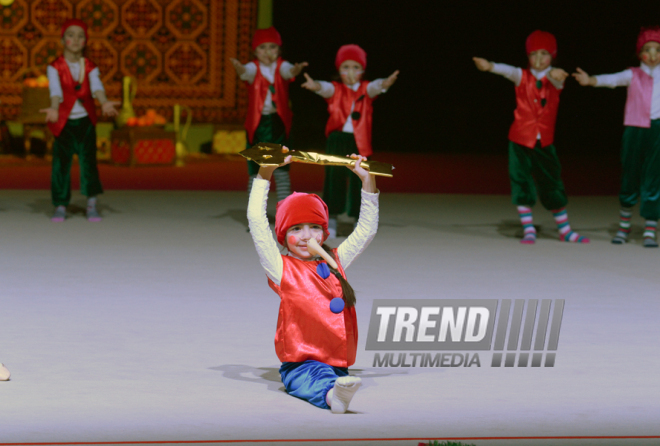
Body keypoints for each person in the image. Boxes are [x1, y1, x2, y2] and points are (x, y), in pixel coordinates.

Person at [247, 146, 379, 413]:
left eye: (315, 227)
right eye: (297, 229)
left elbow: (366, 230)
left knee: (333, 376)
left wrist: (368, 182)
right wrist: (265, 174)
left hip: (337, 361)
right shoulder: (281, 268)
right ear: (284, 237)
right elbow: (257, 222)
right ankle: (333, 398)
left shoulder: (336, 261)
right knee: (312, 381)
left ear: (324, 231)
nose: (307, 236)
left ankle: (335, 388)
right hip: (300, 362)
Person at [473, 30, 589, 244]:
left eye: (544, 54)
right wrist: (490, 66)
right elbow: (507, 71)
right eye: (533, 54)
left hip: (544, 141)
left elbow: (556, 79)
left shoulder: (556, 78)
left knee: (552, 183)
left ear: (552, 56)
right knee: (521, 183)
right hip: (519, 139)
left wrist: (557, 74)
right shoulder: (522, 76)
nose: (538, 59)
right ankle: (528, 229)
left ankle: (565, 230)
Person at [573, 27, 660, 247]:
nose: (652, 54)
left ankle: (650, 228)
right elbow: (611, 80)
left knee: (653, 178)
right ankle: (624, 225)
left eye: (657, 50)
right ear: (639, 52)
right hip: (634, 128)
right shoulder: (632, 74)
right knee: (629, 174)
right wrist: (590, 80)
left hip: (657, 131)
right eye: (647, 49)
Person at [301, 44, 398, 237]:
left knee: (360, 180)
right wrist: (315, 86)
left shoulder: (366, 89)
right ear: (339, 69)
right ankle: (333, 218)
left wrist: (386, 83)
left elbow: (377, 86)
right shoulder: (335, 89)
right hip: (337, 140)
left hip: (359, 141)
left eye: (355, 67)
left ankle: (358, 220)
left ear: (362, 70)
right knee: (334, 179)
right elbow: (324, 88)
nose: (351, 72)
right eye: (346, 67)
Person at [40, 18, 119, 222]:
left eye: (80, 36)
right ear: (62, 39)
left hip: (85, 122)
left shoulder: (90, 66)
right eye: (70, 35)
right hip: (64, 122)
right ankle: (60, 204)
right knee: (61, 165)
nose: (75, 40)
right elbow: (55, 90)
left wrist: (104, 102)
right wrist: (55, 109)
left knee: (89, 163)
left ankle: (91, 204)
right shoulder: (55, 67)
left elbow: (96, 86)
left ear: (86, 41)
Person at [230, 27, 308, 202]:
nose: (267, 52)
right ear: (255, 51)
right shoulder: (253, 67)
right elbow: (246, 72)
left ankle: (285, 212)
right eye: (262, 47)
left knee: (281, 169)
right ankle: (255, 212)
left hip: (279, 124)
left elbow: (288, 71)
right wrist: (239, 69)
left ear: (279, 50)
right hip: (257, 125)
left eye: (272, 47)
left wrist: (295, 71)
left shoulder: (281, 66)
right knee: (256, 171)